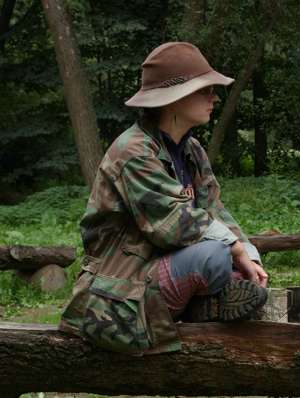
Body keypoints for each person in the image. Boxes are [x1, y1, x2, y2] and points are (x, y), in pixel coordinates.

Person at [59, 42, 268, 355]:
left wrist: (250, 256)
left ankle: (204, 303)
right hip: (122, 283)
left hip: (163, 265)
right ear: (175, 99)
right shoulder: (134, 151)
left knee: (233, 264)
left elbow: (215, 210)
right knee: (214, 257)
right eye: (205, 90)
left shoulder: (191, 149)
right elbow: (172, 225)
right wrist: (235, 250)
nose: (214, 98)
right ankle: (196, 305)